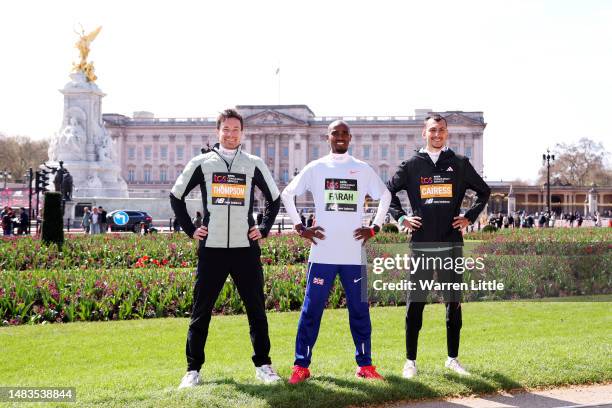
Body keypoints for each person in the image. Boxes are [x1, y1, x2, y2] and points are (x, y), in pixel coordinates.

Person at [170, 108, 282, 388]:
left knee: (256, 309)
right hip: (213, 249)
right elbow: (176, 197)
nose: (231, 134)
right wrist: (190, 229)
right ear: (218, 132)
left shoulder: (254, 163)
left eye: (236, 130)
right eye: (226, 130)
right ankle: (192, 370)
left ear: (242, 133)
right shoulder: (202, 162)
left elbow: (275, 199)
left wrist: (264, 228)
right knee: (201, 310)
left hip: (245, 248)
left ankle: (264, 365)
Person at [281, 120, 391, 383]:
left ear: (350, 138)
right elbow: (287, 193)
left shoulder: (361, 169)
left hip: (354, 254)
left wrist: (374, 227)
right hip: (323, 253)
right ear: (327, 137)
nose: (340, 137)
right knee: (311, 310)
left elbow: (385, 196)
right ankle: (301, 365)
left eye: (344, 133)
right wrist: (300, 227)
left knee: (360, 311)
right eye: (335, 133)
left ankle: (365, 365)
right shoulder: (317, 167)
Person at [387, 114, 490, 378]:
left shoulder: (459, 163)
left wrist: (469, 217)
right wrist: (401, 217)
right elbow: (387, 192)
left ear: (447, 133)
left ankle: (452, 359)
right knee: (415, 303)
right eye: (432, 130)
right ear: (424, 133)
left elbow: (484, 191)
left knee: (453, 303)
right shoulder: (412, 164)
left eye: (441, 130)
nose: (437, 134)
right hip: (421, 244)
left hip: (450, 244)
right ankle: (410, 361)